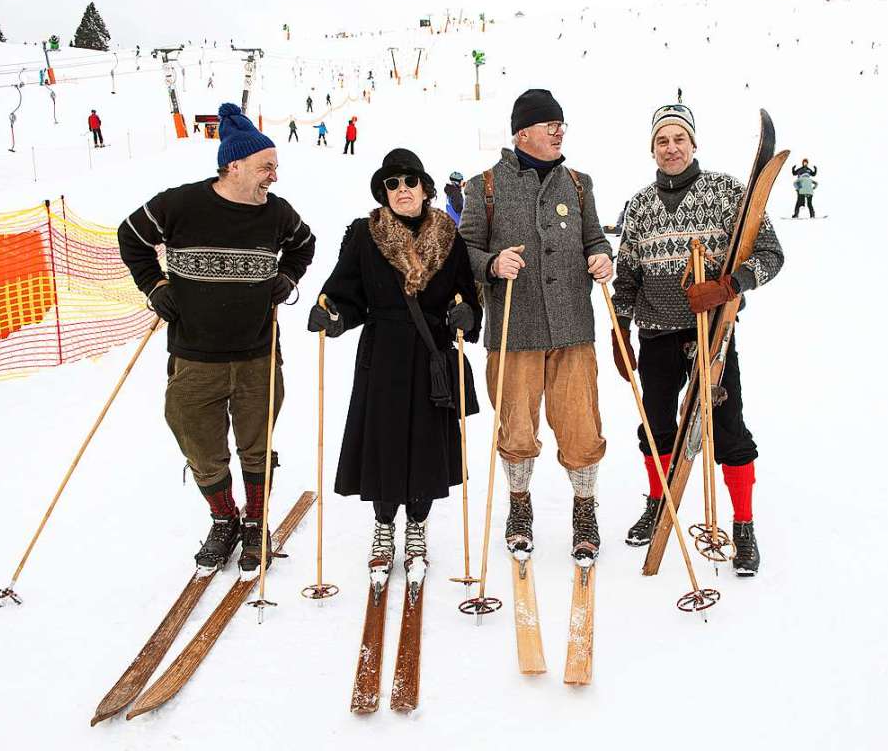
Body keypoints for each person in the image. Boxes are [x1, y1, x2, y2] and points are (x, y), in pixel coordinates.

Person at [117, 103, 317, 572]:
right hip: (195, 355)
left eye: (275, 166)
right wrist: (155, 285)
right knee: (200, 445)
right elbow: (131, 236)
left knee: (254, 444)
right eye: (267, 166)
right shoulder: (180, 204)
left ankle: (255, 523)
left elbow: (305, 244)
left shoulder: (278, 214)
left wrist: (286, 278)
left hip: (257, 354)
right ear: (235, 164)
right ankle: (224, 519)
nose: (274, 175)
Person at [610, 103, 785, 577]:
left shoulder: (726, 192)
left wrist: (731, 285)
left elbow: (771, 253)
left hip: (713, 334)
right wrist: (619, 331)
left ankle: (743, 525)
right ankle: (658, 502)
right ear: (652, 148)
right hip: (657, 336)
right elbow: (625, 278)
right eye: (662, 141)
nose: (671, 148)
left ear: (693, 144)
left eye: (679, 139)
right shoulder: (641, 206)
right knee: (657, 425)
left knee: (728, 426)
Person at [307, 148, 481, 587]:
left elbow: (466, 293)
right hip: (382, 353)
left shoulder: (448, 237)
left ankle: (417, 524)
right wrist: (333, 316)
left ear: (425, 188)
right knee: (383, 440)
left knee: (425, 442)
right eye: (393, 184)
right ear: (384, 193)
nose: (402, 190)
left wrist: (466, 315)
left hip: (431, 355)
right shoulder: (366, 236)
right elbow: (346, 292)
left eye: (409, 182)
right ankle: (384, 524)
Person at [459, 89, 613, 564]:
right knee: (517, 430)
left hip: (573, 329)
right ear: (523, 132)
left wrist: (601, 254)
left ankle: (584, 510)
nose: (559, 131)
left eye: (561, 124)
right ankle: (519, 506)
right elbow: (461, 251)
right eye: (550, 125)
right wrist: (490, 263)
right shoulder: (483, 186)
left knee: (582, 428)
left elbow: (595, 236)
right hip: (514, 329)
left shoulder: (579, 183)